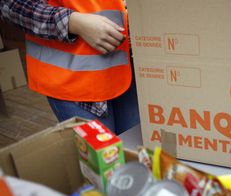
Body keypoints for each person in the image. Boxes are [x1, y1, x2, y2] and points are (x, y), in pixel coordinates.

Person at [0, 0, 140, 135]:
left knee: (134, 152)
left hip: (126, 73)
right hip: (73, 82)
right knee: (104, 156)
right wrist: (73, 23)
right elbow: (10, 5)